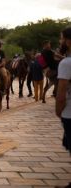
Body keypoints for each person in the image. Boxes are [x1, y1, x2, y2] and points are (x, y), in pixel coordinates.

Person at [56, 27, 71, 157]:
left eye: (62, 38)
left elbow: (61, 95)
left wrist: (58, 111)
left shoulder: (66, 64)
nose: (60, 41)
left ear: (68, 41)